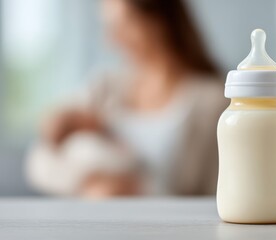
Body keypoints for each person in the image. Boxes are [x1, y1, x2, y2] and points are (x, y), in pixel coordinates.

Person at [26, 0, 227, 198]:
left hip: (171, 226)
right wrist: (89, 182)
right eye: (109, 27)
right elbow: (39, 160)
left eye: (122, 25)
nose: (111, 39)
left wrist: (140, 190)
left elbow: (219, 191)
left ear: (158, 21)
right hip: (102, 220)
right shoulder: (104, 88)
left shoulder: (213, 101)